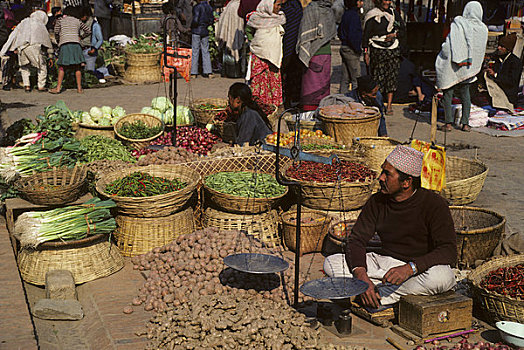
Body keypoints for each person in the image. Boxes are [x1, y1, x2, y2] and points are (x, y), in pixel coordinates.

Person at [323, 145, 457, 308]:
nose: (380, 178)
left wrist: (410, 268)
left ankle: (380, 295)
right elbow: (356, 240)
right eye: (382, 172)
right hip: (384, 265)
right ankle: (374, 291)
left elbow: (448, 251)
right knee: (331, 262)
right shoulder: (377, 202)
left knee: (442, 277)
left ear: (406, 182)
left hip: (418, 270)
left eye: (387, 174)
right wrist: (361, 276)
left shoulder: (434, 204)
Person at [436, 1, 487, 132]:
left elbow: (449, 46)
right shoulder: (483, 29)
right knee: (465, 94)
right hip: (469, 67)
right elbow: (479, 50)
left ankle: (448, 124)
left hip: (452, 65)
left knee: (448, 92)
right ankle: (465, 124)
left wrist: (446, 55)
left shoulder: (459, 24)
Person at [362, 0, 405, 115]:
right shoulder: (372, 15)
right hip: (377, 49)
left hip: (393, 49)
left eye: (389, 0)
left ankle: (389, 105)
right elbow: (366, 36)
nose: (387, 2)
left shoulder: (394, 14)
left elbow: (403, 30)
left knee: (391, 77)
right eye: (385, 0)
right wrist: (366, 52)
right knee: (378, 77)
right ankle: (378, 104)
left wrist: (394, 35)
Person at [296, 0, 337, 111]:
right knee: (320, 84)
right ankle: (321, 109)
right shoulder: (328, 9)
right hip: (326, 53)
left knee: (312, 84)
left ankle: (310, 110)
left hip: (314, 53)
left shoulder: (312, 8)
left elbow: (305, 32)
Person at [0, 9, 52, 92]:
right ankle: (41, 86)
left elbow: (13, 35)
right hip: (34, 46)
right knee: (42, 67)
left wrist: (4, 50)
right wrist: (50, 52)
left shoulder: (23, 22)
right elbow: (45, 39)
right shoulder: (39, 24)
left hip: (21, 47)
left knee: (24, 67)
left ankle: (27, 86)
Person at [247, 0, 286, 106]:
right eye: (277, 5)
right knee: (259, 81)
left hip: (274, 56)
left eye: (280, 5)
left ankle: (272, 107)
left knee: (272, 81)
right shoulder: (256, 18)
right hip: (259, 54)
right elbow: (249, 31)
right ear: (268, 5)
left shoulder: (280, 18)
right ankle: (257, 105)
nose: (279, 7)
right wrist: (255, 42)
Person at [50, 6, 91, 94]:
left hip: (65, 44)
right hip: (76, 45)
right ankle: (79, 88)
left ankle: (58, 88)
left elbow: (56, 32)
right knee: (78, 67)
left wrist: (58, 41)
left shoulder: (60, 20)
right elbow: (88, 31)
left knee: (62, 67)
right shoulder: (77, 21)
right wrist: (81, 37)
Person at [485, 33, 522, 108]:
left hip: (508, 96)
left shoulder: (515, 62)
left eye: (502, 47)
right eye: (499, 45)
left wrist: (495, 75)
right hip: (496, 92)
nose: (499, 48)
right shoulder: (497, 58)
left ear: (508, 49)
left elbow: (511, 81)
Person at [280, 0, 303, 108]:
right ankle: (290, 100)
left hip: (290, 47)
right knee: (291, 76)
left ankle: (288, 100)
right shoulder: (295, 5)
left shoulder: (291, 7)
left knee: (289, 75)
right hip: (292, 46)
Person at [338, 0, 363, 94]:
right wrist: (357, 49)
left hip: (344, 47)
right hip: (351, 49)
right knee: (356, 78)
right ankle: (356, 100)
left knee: (345, 77)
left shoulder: (346, 14)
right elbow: (353, 35)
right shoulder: (354, 16)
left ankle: (342, 98)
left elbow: (340, 31)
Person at [215, 0, 245, 77]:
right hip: (237, 33)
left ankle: (227, 73)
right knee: (236, 52)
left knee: (228, 53)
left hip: (229, 35)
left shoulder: (230, 5)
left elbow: (222, 20)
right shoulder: (239, 5)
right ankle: (236, 73)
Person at [191, 0, 214, 79]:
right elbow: (211, 20)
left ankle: (194, 72)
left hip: (196, 30)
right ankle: (208, 71)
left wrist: (191, 27)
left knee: (195, 51)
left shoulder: (197, 7)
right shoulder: (209, 7)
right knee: (205, 51)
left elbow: (195, 20)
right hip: (205, 30)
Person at [80, 6, 103, 72]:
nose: (81, 18)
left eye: (82, 16)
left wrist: (94, 49)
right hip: (82, 50)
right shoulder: (81, 24)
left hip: (90, 51)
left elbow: (100, 39)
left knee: (89, 72)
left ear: (86, 15)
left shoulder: (95, 25)